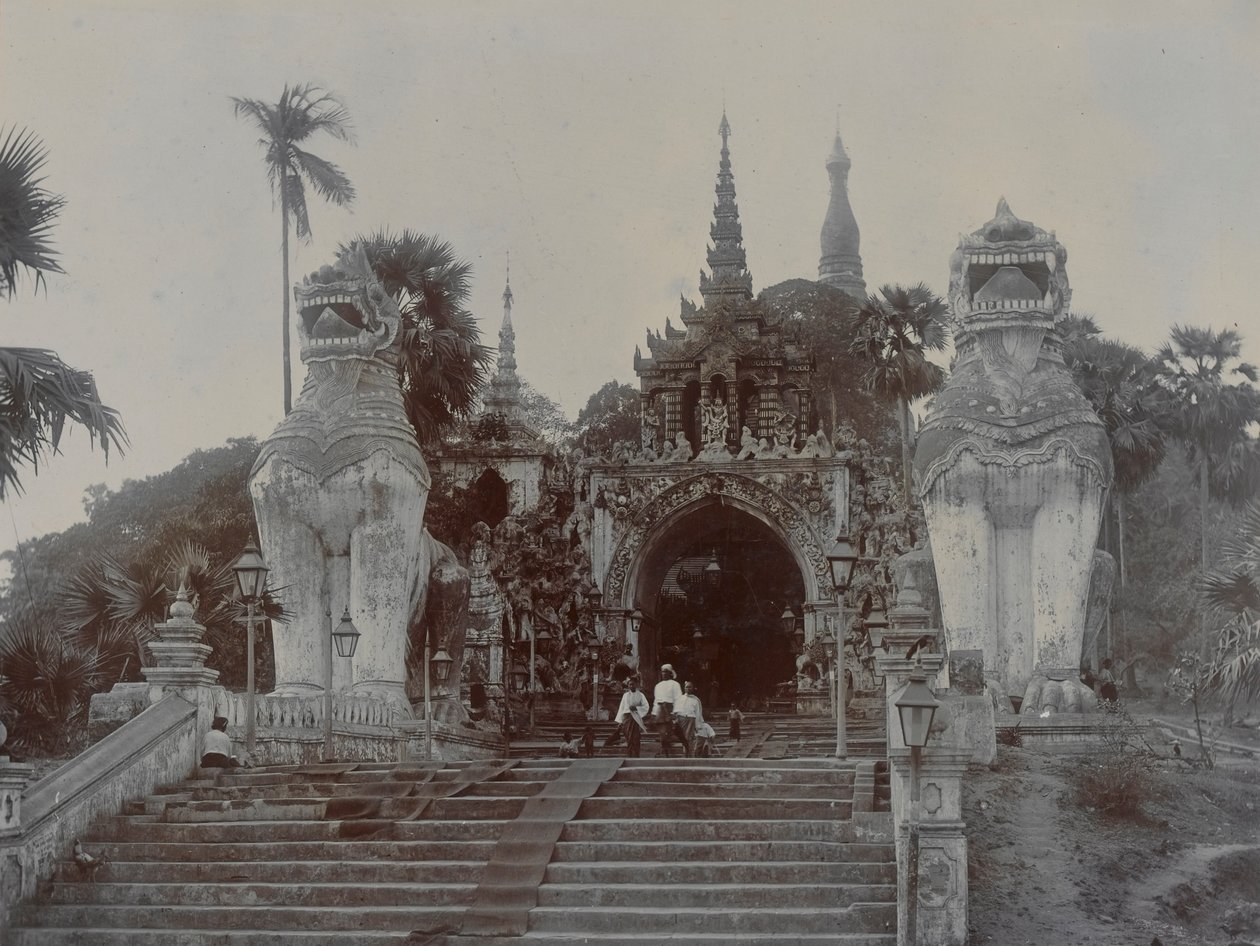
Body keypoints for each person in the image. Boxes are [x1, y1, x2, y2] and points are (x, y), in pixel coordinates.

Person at [608, 676, 650, 757]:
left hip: (636, 718)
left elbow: (646, 706)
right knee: (629, 738)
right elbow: (622, 708)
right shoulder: (625, 695)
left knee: (635, 738)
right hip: (626, 718)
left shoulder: (641, 695)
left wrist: (636, 708)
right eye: (629, 684)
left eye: (633, 684)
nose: (631, 686)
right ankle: (630, 754)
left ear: (636, 685)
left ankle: (636, 755)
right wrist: (620, 721)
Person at [652, 664, 684, 757]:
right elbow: (656, 700)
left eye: (666, 671)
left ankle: (674, 751)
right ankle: (665, 753)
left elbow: (678, 698)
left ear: (670, 673)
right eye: (662, 671)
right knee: (662, 733)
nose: (664, 674)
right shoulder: (658, 686)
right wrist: (654, 713)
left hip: (670, 709)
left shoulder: (675, 684)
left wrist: (675, 712)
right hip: (660, 711)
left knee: (670, 731)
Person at [673, 681, 703, 758]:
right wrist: (676, 719)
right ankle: (685, 753)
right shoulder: (680, 698)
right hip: (681, 719)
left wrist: (698, 725)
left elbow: (698, 713)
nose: (688, 688)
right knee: (683, 738)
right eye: (687, 687)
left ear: (693, 688)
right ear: (684, 688)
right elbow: (676, 710)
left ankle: (690, 755)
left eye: (690, 687)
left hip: (690, 720)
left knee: (688, 737)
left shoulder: (696, 700)